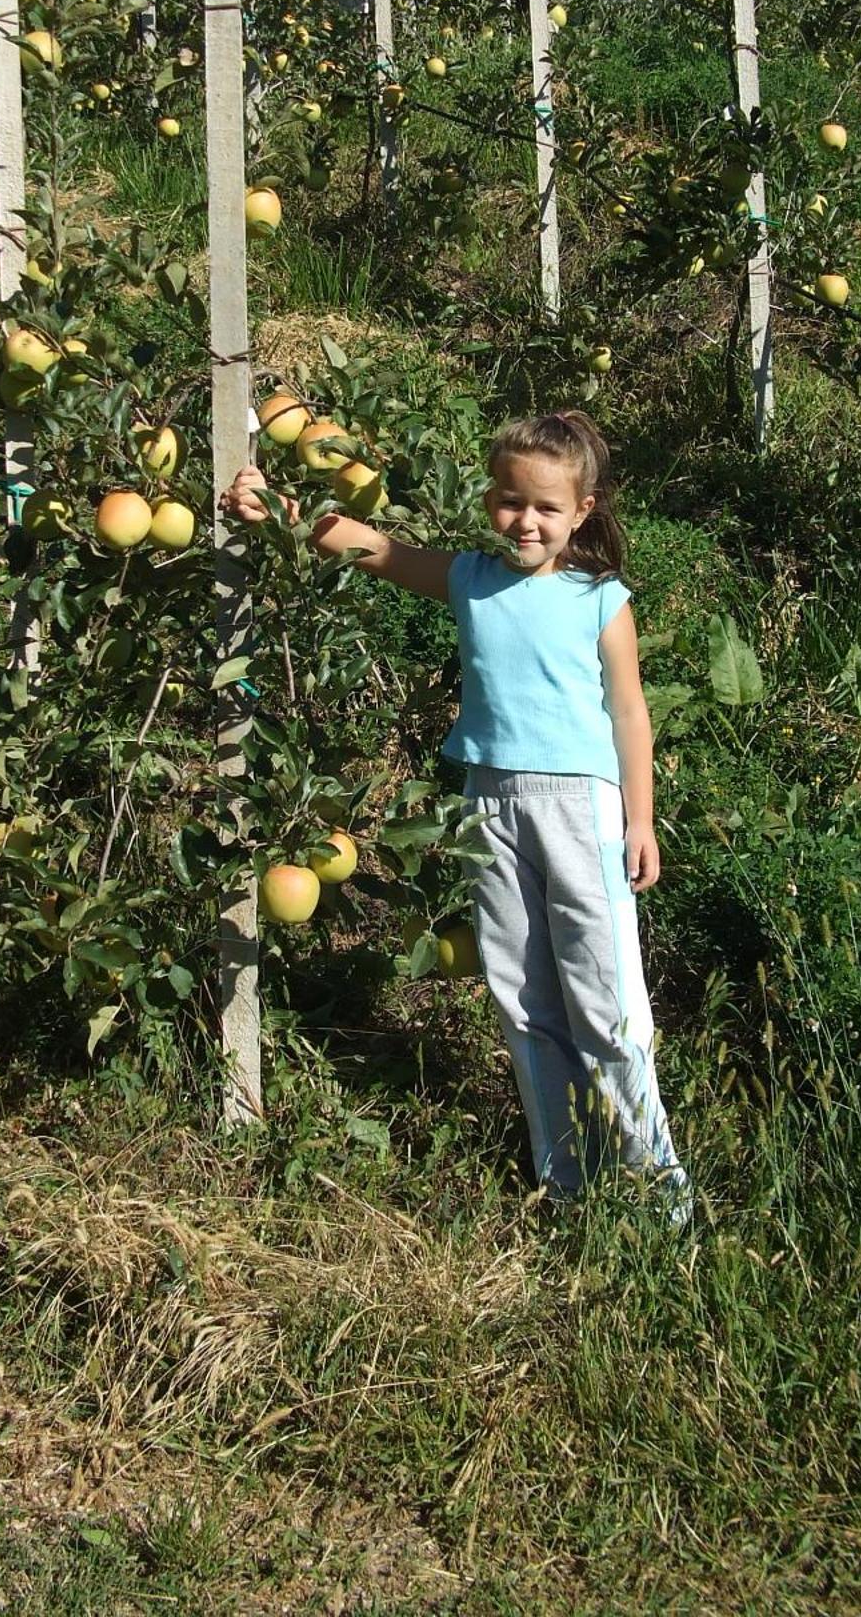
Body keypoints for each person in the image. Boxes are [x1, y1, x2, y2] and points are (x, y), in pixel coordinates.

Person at [221, 408, 690, 1223]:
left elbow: (629, 713)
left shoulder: (599, 598)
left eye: (547, 507)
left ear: (582, 512)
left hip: (583, 806)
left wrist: (640, 819)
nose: (526, 521)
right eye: (511, 500)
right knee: (519, 991)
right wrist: (280, 511)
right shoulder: (472, 577)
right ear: (489, 498)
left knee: (605, 995)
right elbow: (374, 549)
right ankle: (568, 1181)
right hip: (491, 802)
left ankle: (656, 1191)